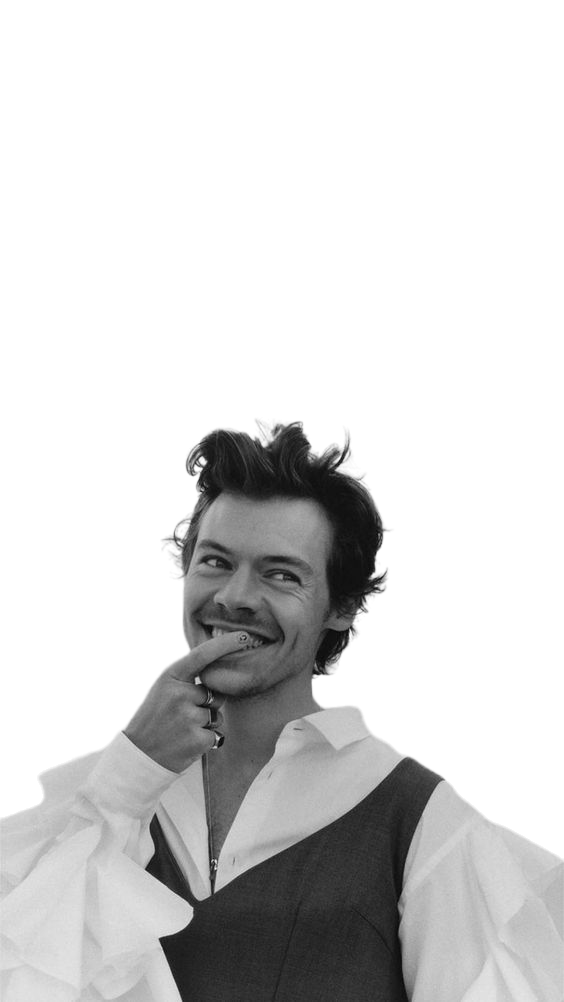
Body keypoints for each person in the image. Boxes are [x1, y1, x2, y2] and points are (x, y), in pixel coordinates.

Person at [1, 418, 562, 1002]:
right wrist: (129, 774)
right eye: (216, 561)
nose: (235, 597)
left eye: (281, 574)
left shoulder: (418, 817)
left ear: (343, 606)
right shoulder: (100, 797)